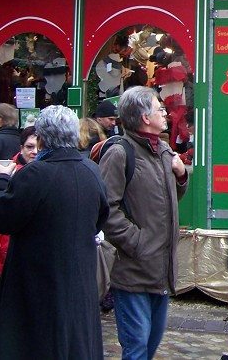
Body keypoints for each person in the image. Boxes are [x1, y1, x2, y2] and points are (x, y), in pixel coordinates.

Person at [0, 105, 109, 359]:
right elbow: (99, 218)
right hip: (78, 283)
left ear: (40, 139)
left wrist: (0, 179)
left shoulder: (35, 174)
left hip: (37, 285)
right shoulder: (91, 171)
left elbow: (0, 216)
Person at [99, 85, 188, 360]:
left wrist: (182, 175)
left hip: (160, 269)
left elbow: (171, 196)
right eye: (159, 108)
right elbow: (105, 208)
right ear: (144, 117)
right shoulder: (119, 153)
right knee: (136, 348)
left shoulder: (162, 149)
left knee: (150, 346)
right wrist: (136, 242)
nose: (164, 112)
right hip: (133, 271)